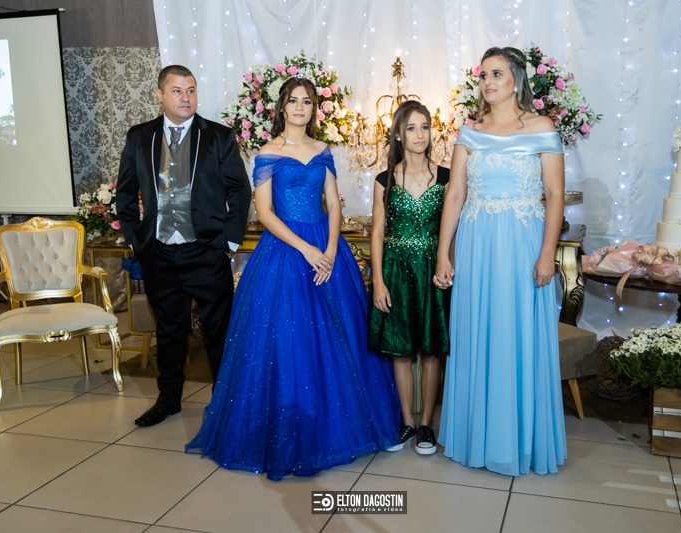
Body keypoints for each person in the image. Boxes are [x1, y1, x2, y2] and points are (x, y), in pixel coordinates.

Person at [186, 78, 401, 480]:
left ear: (314, 108)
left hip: (327, 248)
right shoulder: (268, 152)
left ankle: (348, 425)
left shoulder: (323, 150)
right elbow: (265, 213)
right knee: (288, 338)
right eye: (293, 101)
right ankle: (291, 425)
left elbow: (333, 204)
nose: (300, 107)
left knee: (342, 337)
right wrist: (307, 250)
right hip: (286, 250)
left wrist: (331, 250)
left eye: (307, 101)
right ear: (282, 107)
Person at [433, 47, 567, 476]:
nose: (488, 82)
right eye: (483, 75)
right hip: (477, 244)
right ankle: (476, 437)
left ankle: (519, 440)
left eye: (496, 74)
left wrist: (547, 254)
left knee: (517, 333)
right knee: (477, 332)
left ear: (516, 79)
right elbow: (455, 195)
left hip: (523, 244)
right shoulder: (469, 132)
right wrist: (443, 253)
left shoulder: (542, 127)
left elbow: (555, 195)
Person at [116, 65, 252, 427]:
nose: (186, 97)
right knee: (169, 330)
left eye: (191, 90)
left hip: (206, 250)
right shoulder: (140, 137)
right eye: (177, 91)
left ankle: (225, 404)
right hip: (159, 252)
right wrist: (136, 239)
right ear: (160, 94)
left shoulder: (219, 136)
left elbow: (240, 189)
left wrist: (229, 240)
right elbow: (125, 193)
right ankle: (168, 400)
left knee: (218, 331)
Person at [368, 101, 450, 455]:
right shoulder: (384, 180)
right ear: (399, 135)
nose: (420, 135)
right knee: (400, 351)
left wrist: (448, 264)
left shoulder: (446, 177)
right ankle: (407, 422)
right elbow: (376, 233)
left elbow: (453, 229)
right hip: (395, 271)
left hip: (433, 271)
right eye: (412, 128)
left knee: (431, 351)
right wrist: (378, 281)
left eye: (425, 127)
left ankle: (427, 425)